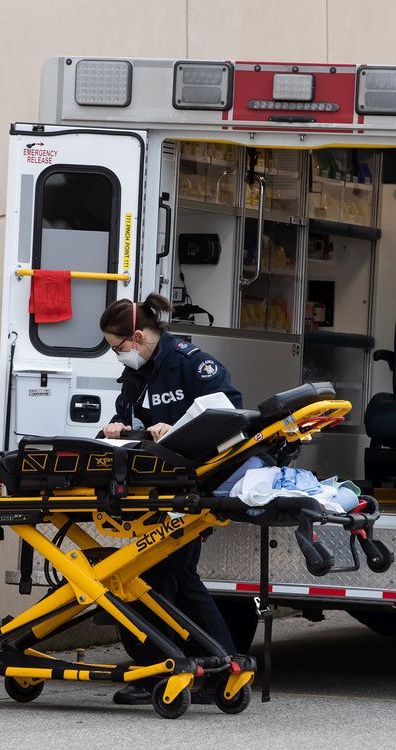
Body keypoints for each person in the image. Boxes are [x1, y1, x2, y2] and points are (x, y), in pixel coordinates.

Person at [99, 292, 239, 706]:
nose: (117, 356)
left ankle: (170, 671)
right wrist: (117, 427)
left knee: (163, 577)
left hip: (190, 485)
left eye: (117, 347)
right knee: (171, 577)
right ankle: (215, 668)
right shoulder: (137, 373)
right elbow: (125, 415)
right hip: (155, 488)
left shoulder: (192, 363)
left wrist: (175, 426)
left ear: (138, 337)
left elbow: (229, 412)